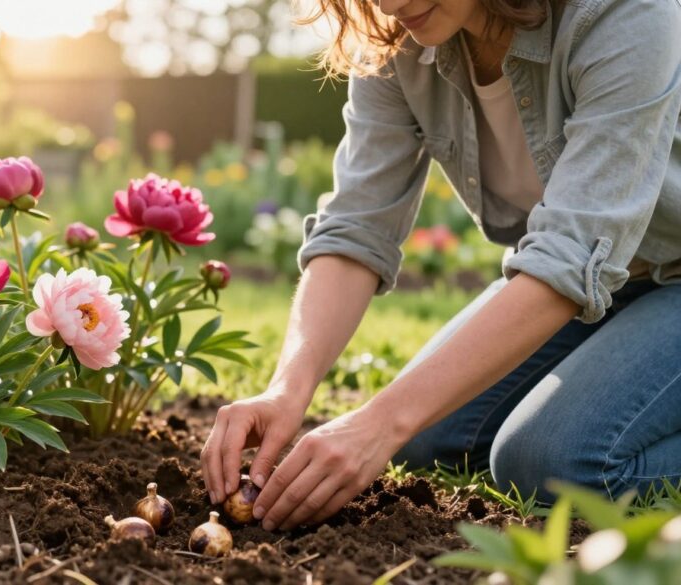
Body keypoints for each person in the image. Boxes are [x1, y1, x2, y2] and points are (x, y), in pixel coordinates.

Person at [201, 0, 681, 532]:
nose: (388, 4)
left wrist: (379, 423)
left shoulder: (625, 12)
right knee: (429, 440)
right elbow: (358, 225)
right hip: (604, 283)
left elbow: (574, 250)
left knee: (554, 463)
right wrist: (286, 390)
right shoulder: (398, 39)